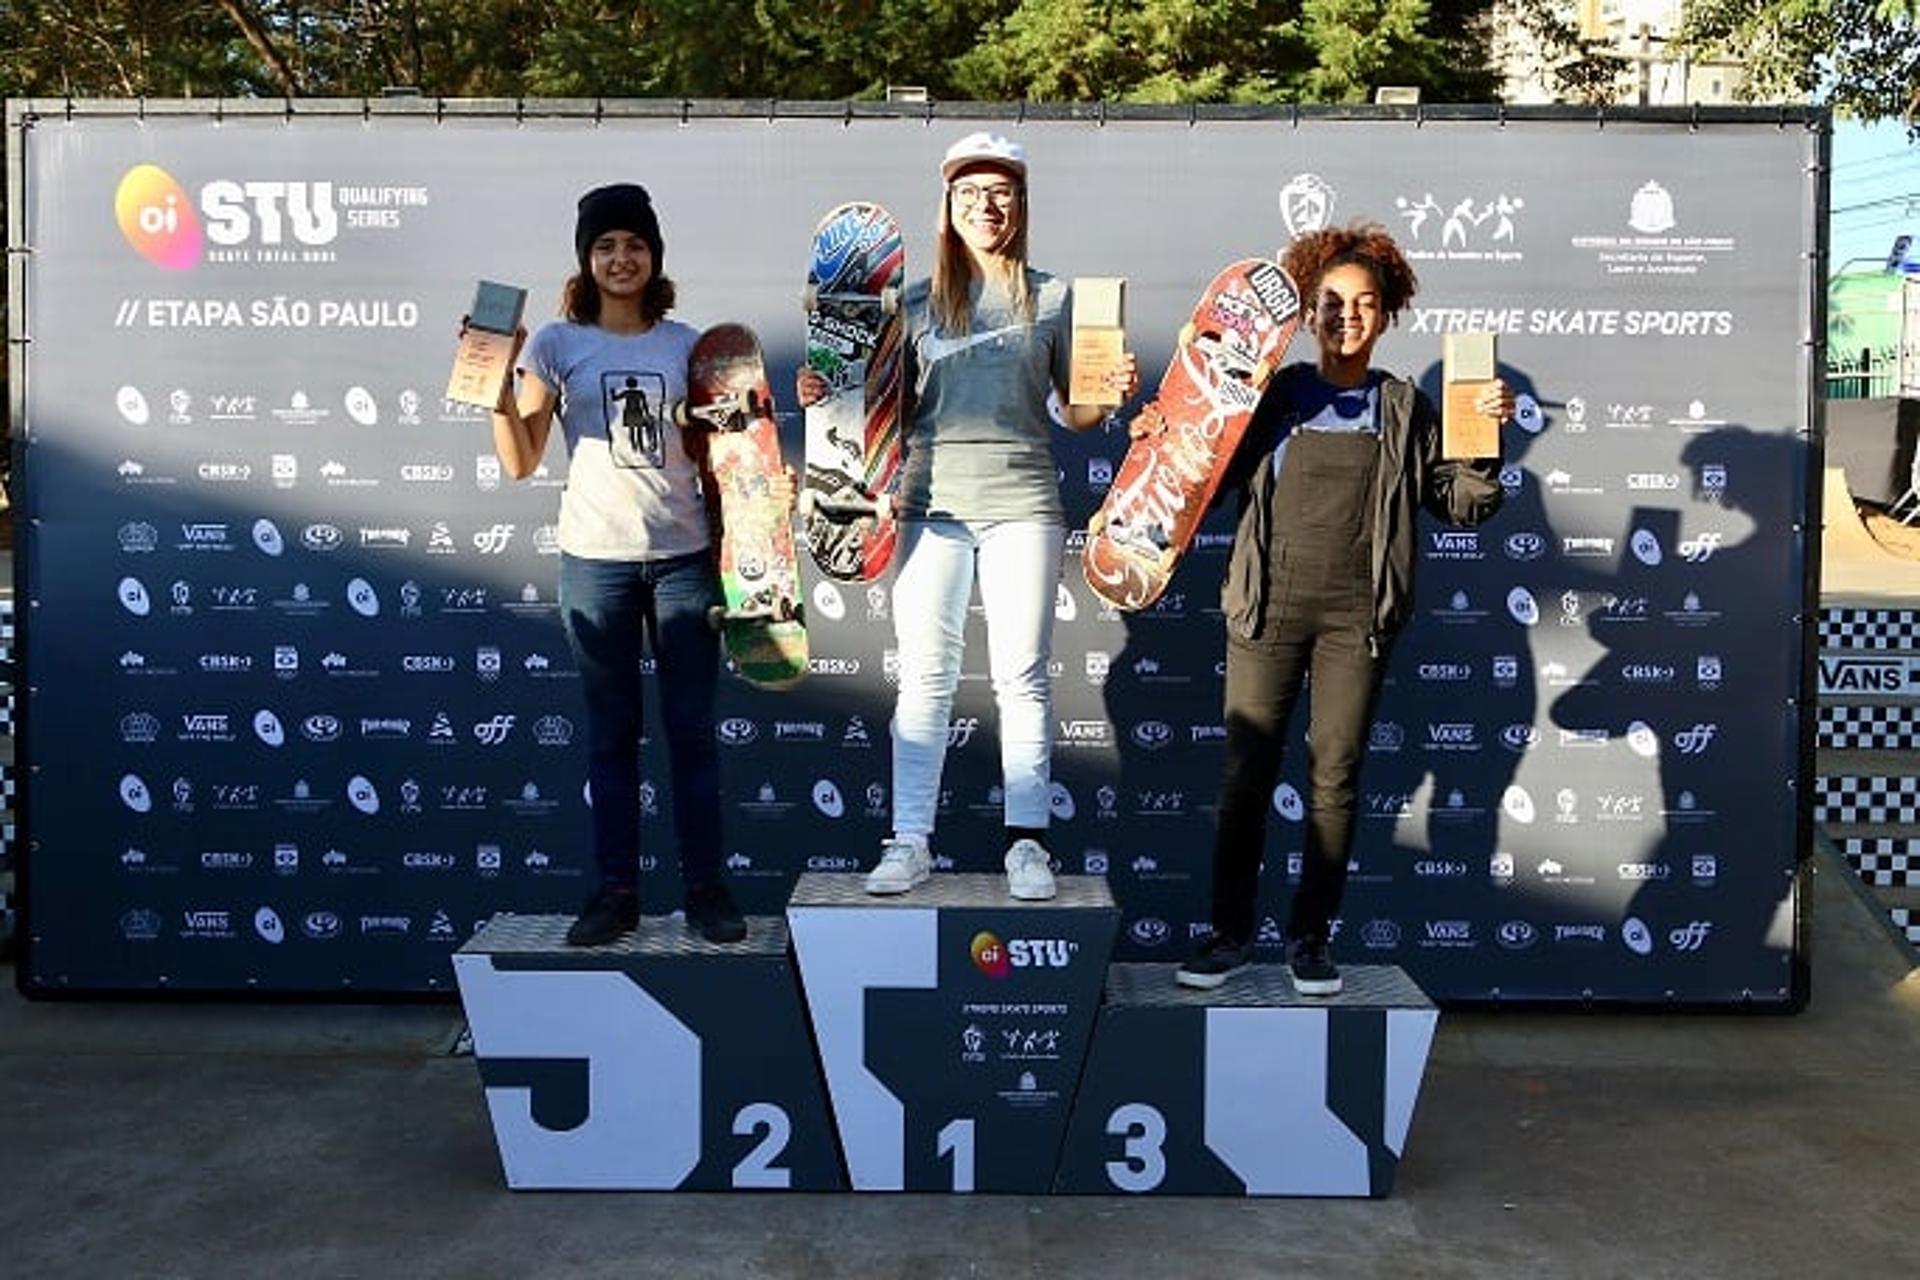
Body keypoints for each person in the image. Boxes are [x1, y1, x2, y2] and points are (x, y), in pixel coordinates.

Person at [1171, 222, 1513, 994]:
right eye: (1329, 301)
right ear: (1305, 311)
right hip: (1268, 606)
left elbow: (1462, 505)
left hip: (1357, 615)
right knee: (1245, 775)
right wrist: (1168, 431)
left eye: (1362, 302)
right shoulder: (1272, 394)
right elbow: (1200, 478)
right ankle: (1227, 936)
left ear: (1386, 313)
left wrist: (1484, 437)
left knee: (1335, 777)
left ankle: (1310, 940)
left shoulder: (1404, 406)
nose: (1345, 315)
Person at [799, 132, 1137, 901]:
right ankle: (910, 841)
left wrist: (1107, 389)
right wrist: (828, 393)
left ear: (1019, 205)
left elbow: (1076, 413)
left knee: (1021, 677)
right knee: (925, 679)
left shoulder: (1055, 299)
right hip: (930, 504)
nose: (986, 207)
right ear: (948, 208)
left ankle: (1027, 845)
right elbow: (872, 410)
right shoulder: (912, 304)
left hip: (1024, 504)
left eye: (1001, 193)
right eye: (969, 194)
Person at [489, 182, 746, 947]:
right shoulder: (556, 345)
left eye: (634, 244)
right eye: (606, 246)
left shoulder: (690, 345)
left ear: (654, 255)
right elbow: (519, 460)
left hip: (683, 559)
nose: (621, 258)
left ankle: (705, 891)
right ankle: (615, 895)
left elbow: (726, 455)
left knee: (692, 733)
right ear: (586, 259)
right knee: (610, 737)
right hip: (595, 563)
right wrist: (495, 387)